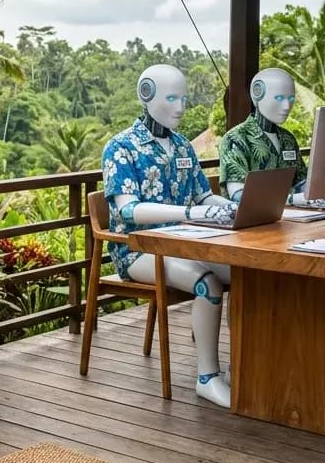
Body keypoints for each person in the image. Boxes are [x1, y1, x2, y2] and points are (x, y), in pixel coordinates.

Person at [102, 64, 238, 407]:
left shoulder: (182, 146)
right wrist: (190, 214)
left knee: (246, 271)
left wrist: (232, 206)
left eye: (184, 98)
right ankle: (207, 376)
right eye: (172, 98)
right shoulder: (120, 148)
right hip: (138, 251)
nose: (180, 107)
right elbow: (128, 210)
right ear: (146, 95)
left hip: (185, 244)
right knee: (207, 282)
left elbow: (201, 194)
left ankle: (249, 362)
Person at [219, 68, 307, 202]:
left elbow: (302, 181)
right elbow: (239, 195)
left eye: (291, 98)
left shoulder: (288, 139)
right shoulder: (235, 139)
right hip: (253, 220)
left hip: (295, 218)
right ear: (257, 94)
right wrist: (292, 200)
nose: (286, 106)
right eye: (279, 98)